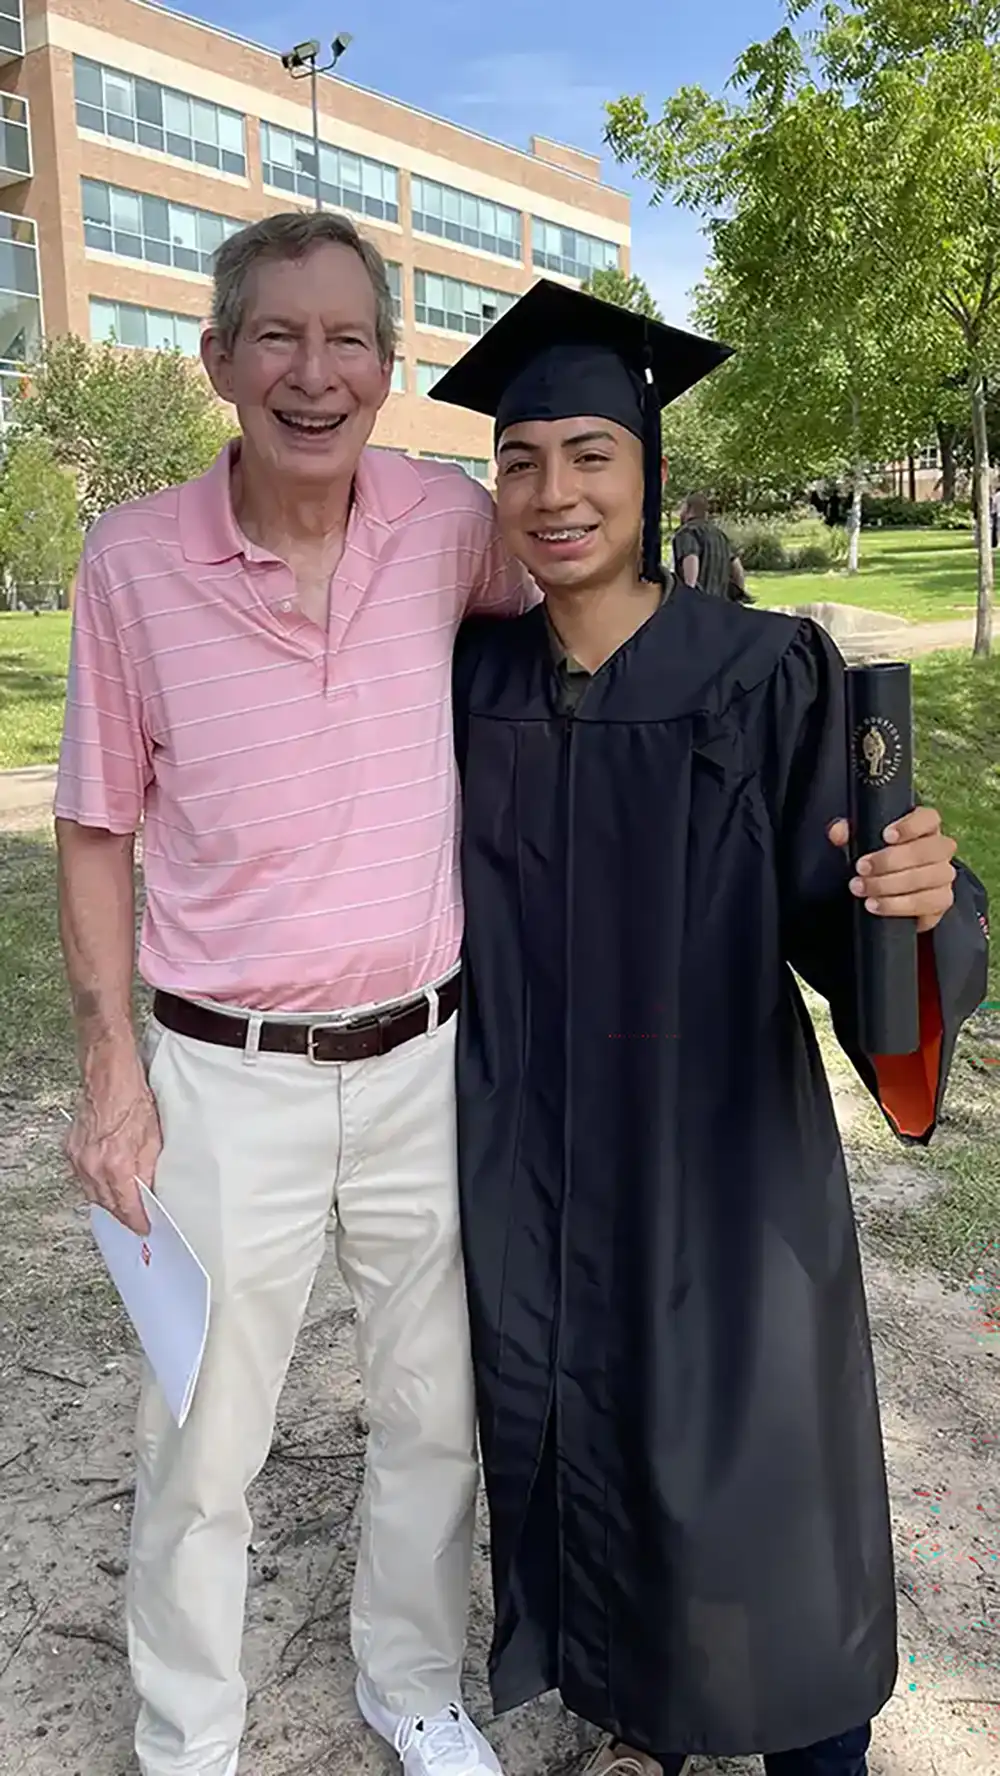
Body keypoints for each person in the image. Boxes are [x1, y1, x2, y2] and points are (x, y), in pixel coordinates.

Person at [429, 281, 989, 1776]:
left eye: (591, 454)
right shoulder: (470, 680)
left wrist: (925, 907)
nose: (557, 492)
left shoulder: (759, 677)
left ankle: (815, 1747)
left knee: (761, 1468)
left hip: (720, 1166)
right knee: (585, 1441)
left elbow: (855, 914)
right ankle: (643, 1713)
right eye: (524, 459)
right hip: (533, 1163)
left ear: (649, 471)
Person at [54, 209, 536, 1776]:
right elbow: (95, 824)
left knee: (433, 1414)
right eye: (280, 337)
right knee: (199, 1442)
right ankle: (189, 1736)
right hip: (222, 1074)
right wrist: (110, 1069)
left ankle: (413, 1685)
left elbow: (577, 632)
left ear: (389, 372)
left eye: (348, 342)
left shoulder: (448, 524)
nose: (313, 374)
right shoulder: (131, 562)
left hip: (423, 1061)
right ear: (218, 360)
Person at [672, 490, 749, 601]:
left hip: (699, 603)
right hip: (721, 605)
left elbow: (691, 558)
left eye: (682, 508)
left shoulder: (687, 532)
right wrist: (739, 593)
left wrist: (689, 592)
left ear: (688, 509)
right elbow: (736, 565)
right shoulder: (719, 535)